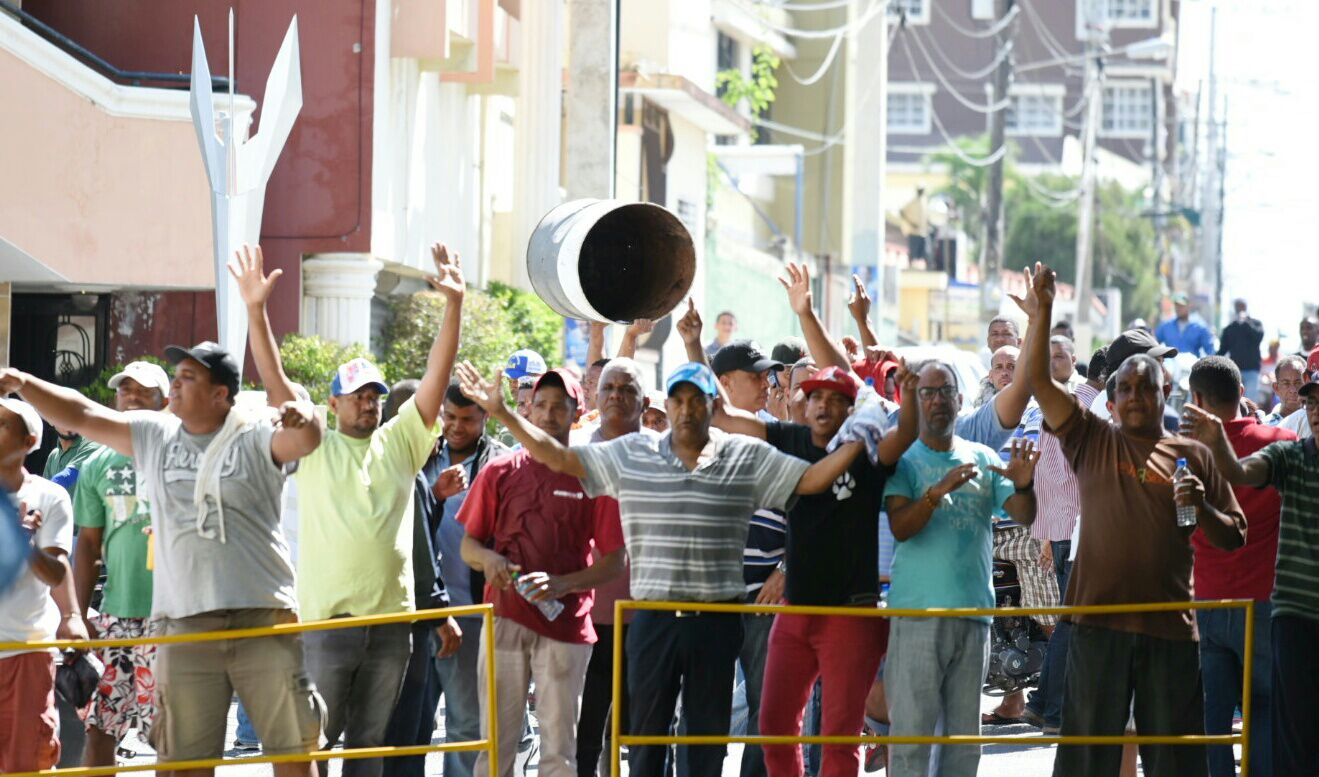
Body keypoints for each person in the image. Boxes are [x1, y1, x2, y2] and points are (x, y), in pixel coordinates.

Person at [458, 355, 869, 777]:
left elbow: (812, 481)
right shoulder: (634, 452)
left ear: (713, 407)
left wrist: (861, 440)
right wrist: (504, 413)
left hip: (716, 618)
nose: (688, 410)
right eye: (679, 400)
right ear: (667, 407)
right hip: (652, 619)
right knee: (645, 741)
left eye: (698, 400)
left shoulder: (743, 454)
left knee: (705, 744)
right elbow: (559, 457)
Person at [1, 297, 325, 777]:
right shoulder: (154, 434)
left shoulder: (255, 434)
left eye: (189, 376)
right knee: (183, 763)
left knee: (294, 752)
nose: (175, 382)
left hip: (263, 616)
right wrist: (24, 382)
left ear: (221, 395)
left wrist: (258, 315)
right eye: (175, 374)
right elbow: (85, 412)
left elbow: (306, 435)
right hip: (184, 624)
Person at [1013, 263, 1245, 777]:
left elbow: (1234, 534)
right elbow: (1038, 381)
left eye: (1148, 388)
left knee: (1175, 762)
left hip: (1170, 632)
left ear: (1167, 395)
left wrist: (1202, 506)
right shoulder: (1091, 437)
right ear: (1111, 401)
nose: (1137, 396)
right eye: (1127, 389)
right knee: (1088, 759)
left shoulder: (1195, 452)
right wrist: (1042, 312)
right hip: (1097, 630)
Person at [276, 242, 465, 777]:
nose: (368, 402)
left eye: (375, 394)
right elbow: (276, 385)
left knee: (369, 750)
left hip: (391, 627)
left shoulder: (401, 441)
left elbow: (436, 375)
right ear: (332, 403)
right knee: (307, 747)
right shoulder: (314, 440)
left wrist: (454, 305)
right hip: (328, 626)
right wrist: (252, 309)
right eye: (357, 394)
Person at [712, 364, 919, 777]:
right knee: (773, 726)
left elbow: (907, 434)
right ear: (803, 405)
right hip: (795, 613)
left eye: (834, 398)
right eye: (815, 397)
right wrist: (695, 344)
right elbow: (721, 415)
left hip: (851, 614)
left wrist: (909, 397)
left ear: (848, 409)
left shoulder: (869, 453)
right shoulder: (789, 439)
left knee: (839, 737)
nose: (822, 404)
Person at [456, 368, 625, 777]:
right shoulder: (499, 471)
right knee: (496, 748)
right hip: (505, 619)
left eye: (559, 407)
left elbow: (614, 560)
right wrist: (490, 560)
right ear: (528, 410)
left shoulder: (593, 474)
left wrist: (563, 584)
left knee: (559, 752)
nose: (549, 415)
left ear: (576, 412)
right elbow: (468, 546)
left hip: (566, 626)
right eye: (541, 405)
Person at [882, 362, 1040, 777]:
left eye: (944, 391)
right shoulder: (904, 461)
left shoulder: (984, 457)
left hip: (973, 616)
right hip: (917, 616)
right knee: (911, 737)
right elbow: (900, 527)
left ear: (958, 399)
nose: (936, 400)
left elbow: (1023, 514)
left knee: (963, 742)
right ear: (916, 402)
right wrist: (935, 494)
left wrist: (1024, 484)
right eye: (927, 392)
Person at [1180, 365, 1319, 777]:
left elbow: (1182, 522)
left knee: (1214, 716)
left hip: (1208, 598)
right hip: (1264, 604)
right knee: (1265, 709)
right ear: (1241, 391)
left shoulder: (1186, 453)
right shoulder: (1281, 441)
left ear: (1198, 401)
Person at [71, 360, 172, 766]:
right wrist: (76, 617)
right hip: (116, 617)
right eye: (124, 390)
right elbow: (87, 547)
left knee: (172, 736)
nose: (130, 398)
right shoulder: (96, 463)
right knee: (99, 728)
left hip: (172, 616)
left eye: (142, 391)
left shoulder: (182, 451)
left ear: (165, 401)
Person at [381, 379, 467, 777]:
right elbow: (416, 555)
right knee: (403, 732)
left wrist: (435, 498)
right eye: (433, 423)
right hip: (409, 623)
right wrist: (438, 613)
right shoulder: (398, 469)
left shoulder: (410, 474)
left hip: (416, 621)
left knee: (414, 731)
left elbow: (419, 534)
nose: (441, 435)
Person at [574, 359, 656, 777]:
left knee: (649, 725)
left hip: (651, 613)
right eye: (608, 388)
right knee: (588, 721)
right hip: (591, 615)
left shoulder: (664, 454)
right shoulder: (576, 454)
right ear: (595, 395)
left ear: (644, 401)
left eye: (627, 389)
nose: (616, 396)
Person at [428, 381, 510, 777]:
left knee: (466, 727)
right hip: (417, 613)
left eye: (467, 419)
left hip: (474, 615)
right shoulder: (422, 454)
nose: (456, 427)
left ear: (486, 417)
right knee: (409, 729)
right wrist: (435, 495)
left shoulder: (502, 464)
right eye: (449, 417)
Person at [0, 398, 83, 773]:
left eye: (2, 424)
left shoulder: (50, 496)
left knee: (27, 763)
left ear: (29, 439)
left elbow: (55, 572)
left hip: (28, 650)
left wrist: (24, 546)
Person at [1021, 344, 1101, 734]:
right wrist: (1052, 533)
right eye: (1048, 356)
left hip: (1065, 529)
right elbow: (1059, 476)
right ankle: (1050, 710)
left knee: (1071, 621)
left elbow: (1053, 475)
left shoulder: (1069, 405)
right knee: (1073, 623)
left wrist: (1050, 533)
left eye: (1060, 356)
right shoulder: (1082, 406)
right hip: (1074, 529)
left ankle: (1041, 705)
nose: (1054, 363)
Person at [1218, 299, 1265, 399]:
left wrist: (1246, 323)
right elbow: (1222, 350)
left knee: (1250, 401)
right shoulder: (1230, 328)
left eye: (1242, 306)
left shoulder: (1256, 324)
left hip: (1252, 371)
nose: (1240, 309)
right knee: (1234, 400)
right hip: (1235, 371)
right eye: (1238, 307)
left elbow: (1258, 337)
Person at [43, 421, 98, 494]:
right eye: (62, 414)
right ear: (50, 420)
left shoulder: (91, 445)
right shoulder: (53, 455)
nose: (68, 420)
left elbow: (63, 479)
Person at [1155, 292, 1215, 357]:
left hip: (1192, 365)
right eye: (1176, 305)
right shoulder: (1166, 326)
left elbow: (1210, 351)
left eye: (1181, 306)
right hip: (1170, 365)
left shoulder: (1200, 327)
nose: (1178, 308)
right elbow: (1154, 344)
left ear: (1188, 306)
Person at [1266, 355, 1306, 425]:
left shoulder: (1315, 423)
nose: (1293, 390)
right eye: (1286, 383)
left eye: (1298, 383)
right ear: (1276, 388)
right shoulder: (1265, 426)